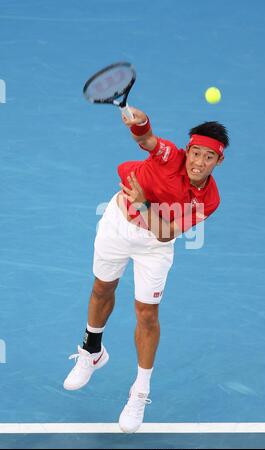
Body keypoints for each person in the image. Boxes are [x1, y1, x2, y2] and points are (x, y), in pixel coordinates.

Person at [63, 107, 229, 433]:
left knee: (147, 313)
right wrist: (140, 122)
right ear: (187, 150)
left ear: (218, 162)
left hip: (154, 244)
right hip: (117, 225)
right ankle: (92, 351)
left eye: (208, 157)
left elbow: (165, 233)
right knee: (101, 288)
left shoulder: (209, 199)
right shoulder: (170, 156)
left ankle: (140, 391)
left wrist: (142, 204)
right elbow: (148, 139)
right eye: (195, 152)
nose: (198, 162)